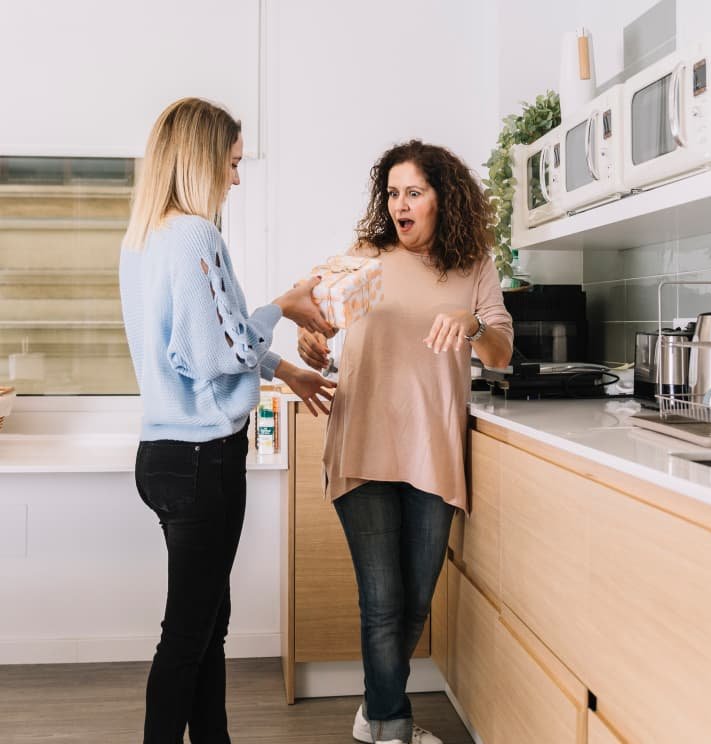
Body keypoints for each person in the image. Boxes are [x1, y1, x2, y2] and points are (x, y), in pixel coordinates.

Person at [119, 97, 335, 744]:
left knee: (207, 621)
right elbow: (218, 352)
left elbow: (197, 341)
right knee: (190, 632)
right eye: (233, 163)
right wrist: (285, 306)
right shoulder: (195, 235)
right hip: (203, 462)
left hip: (161, 456)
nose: (237, 179)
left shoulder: (144, 240)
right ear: (202, 159)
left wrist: (284, 369)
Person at [297, 140, 513, 744]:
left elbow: (501, 351)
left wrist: (472, 325)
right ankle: (393, 729)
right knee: (383, 601)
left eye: (413, 191)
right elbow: (320, 323)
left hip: (431, 450)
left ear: (444, 197)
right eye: (392, 193)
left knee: (415, 601)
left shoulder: (473, 265)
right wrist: (311, 343)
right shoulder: (367, 259)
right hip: (363, 442)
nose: (400, 204)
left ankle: (375, 712)